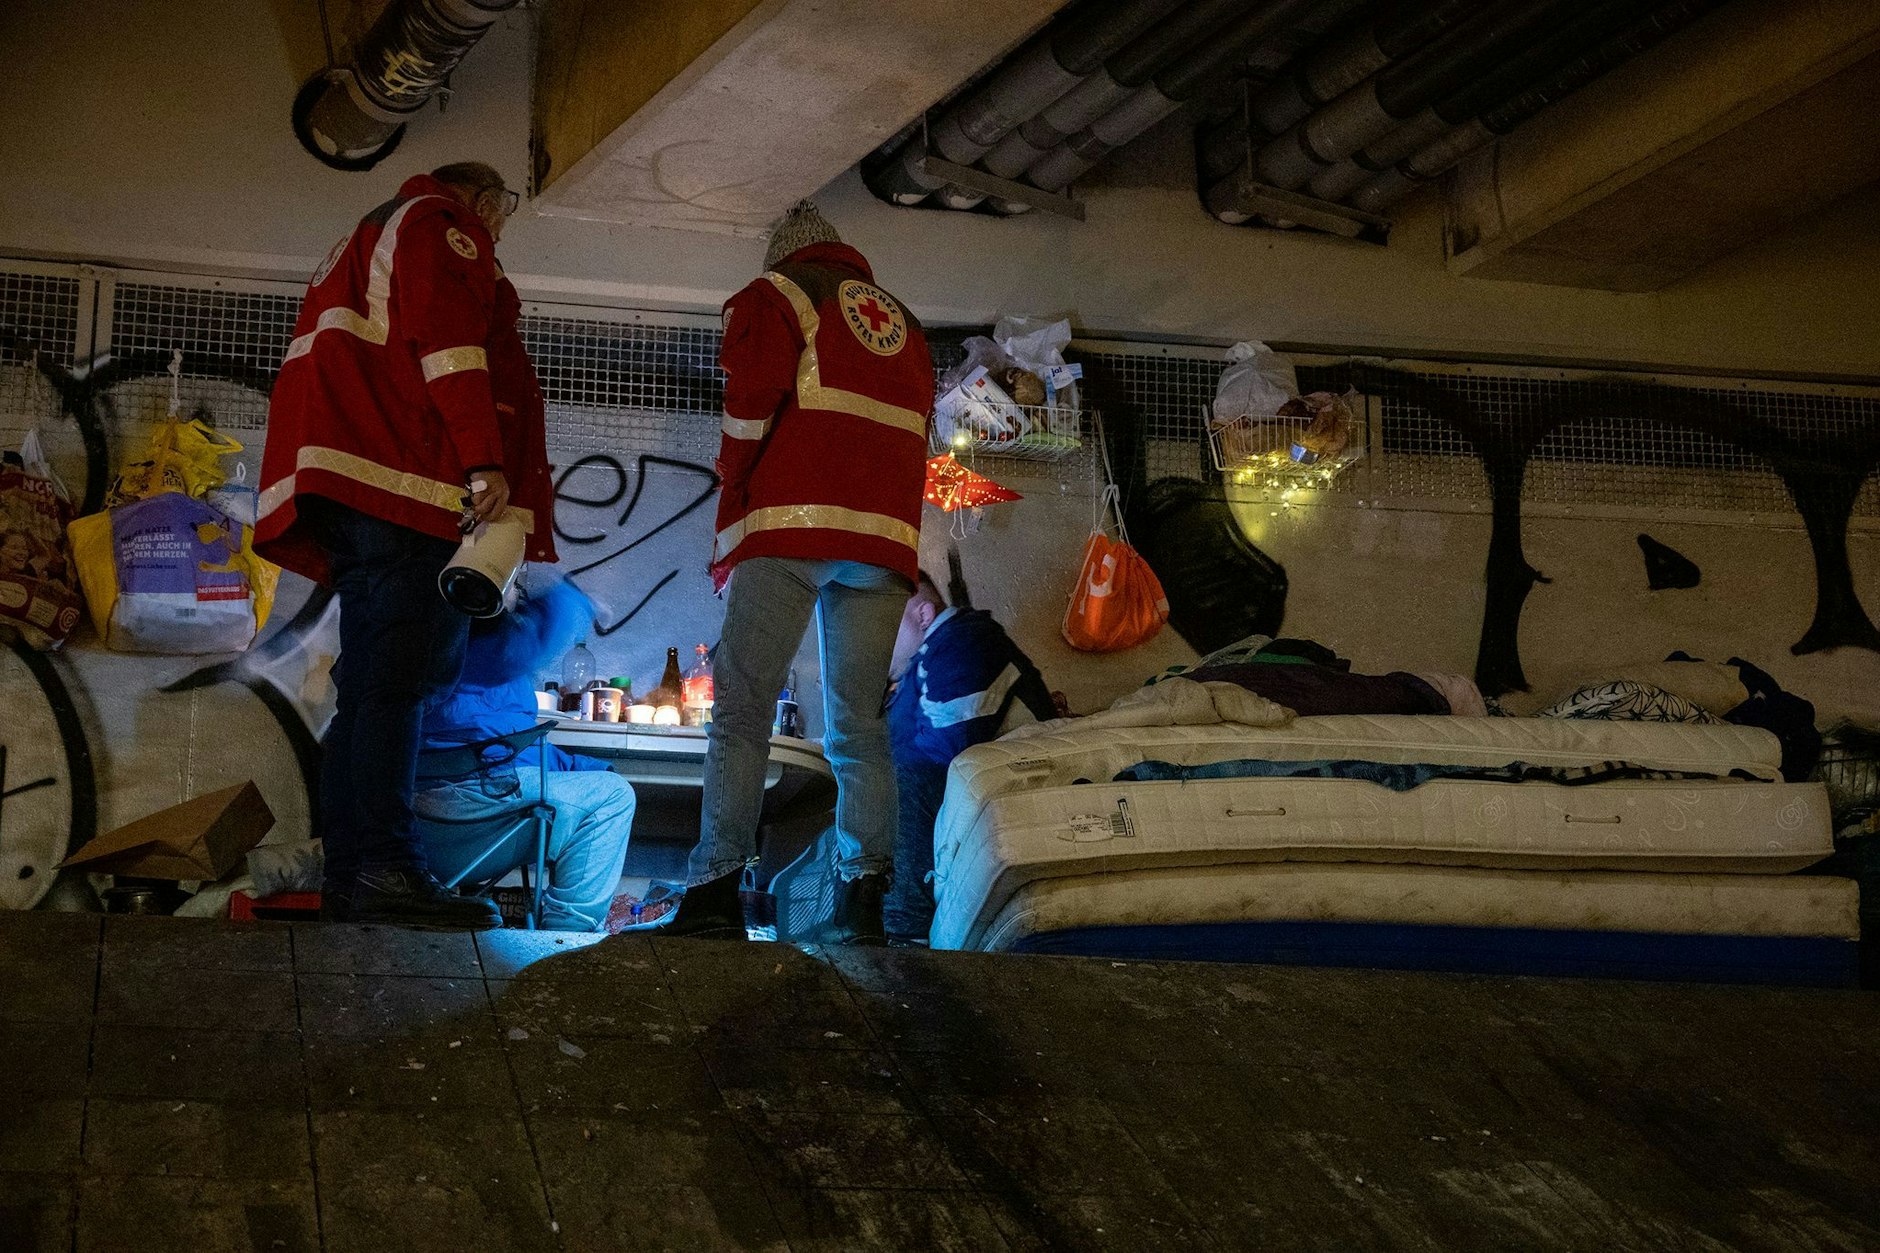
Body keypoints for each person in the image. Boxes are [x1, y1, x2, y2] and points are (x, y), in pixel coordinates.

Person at [256, 161, 558, 930]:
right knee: (397, 684)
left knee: (371, 685)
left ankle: (357, 869)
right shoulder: (440, 228)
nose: (496, 232)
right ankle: (385, 867)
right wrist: (483, 457)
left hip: (358, 485)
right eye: (501, 215)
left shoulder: (372, 235)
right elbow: (453, 346)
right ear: (486, 203)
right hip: (408, 483)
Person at [666, 201, 933, 942]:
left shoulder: (777, 295)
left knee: (743, 708)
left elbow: (748, 409)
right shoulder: (904, 322)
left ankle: (715, 893)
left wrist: (733, 506)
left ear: (781, 256)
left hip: (791, 523)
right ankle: (862, 905)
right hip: (882, 541)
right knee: (857, 725)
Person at [412, 576, 635, 932]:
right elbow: (526, 646)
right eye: (513, 584)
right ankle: (568, 934)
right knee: (614, 798)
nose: (517, 593)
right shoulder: (471, 647)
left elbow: (515, 751)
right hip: (472, 810)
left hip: (415, 821)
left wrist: (588, 768)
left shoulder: (408, 642)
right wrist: (572, 598)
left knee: (600, 785)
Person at [882, 569, 1054, 945]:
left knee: (896, 780)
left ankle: (903, 932)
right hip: (958, 783)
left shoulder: (963, 639)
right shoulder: (929, 659)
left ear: (924, 615)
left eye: (883, 625)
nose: (876, 641)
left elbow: (949, 747)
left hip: (1005, 778)